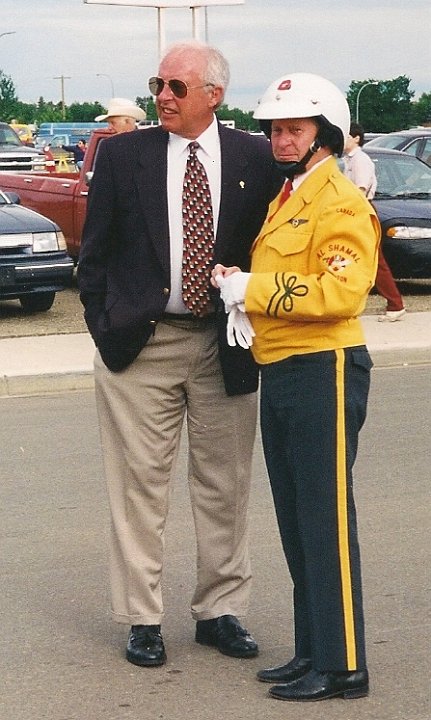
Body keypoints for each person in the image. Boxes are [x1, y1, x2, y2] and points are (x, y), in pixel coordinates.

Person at [78, 41, 280, 668]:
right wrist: (104, 326)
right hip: (141, 346)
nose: (162, 96)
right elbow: (95, 252)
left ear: (214, 94)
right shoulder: (122, 155)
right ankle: (142, 619)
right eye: (157, 83)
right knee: (139, 488)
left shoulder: (255, 156)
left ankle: (220, 611)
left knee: (225, 485)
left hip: (227, 343)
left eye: (176, 86)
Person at [212, 73, 380, 702]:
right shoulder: (293, 195)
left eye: (294, 129)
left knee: (326, 518)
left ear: (325, 135)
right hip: (283, 364)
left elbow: (342, 292)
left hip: (324, 367)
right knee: (297, 518)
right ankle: (314, 648)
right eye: (276, 129)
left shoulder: (337, 198)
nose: (281, 139)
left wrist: (250, 289)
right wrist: (244, 278)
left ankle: (343, 666)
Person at [344, 122, 406, 322]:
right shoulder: (348, 160)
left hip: (361, 209)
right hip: (355, 209)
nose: (342, 140)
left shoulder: (361, 160)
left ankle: (396, 304)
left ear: (356, 138)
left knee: (375, 260)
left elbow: (360, 190)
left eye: (346, 136)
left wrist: (349, 214)